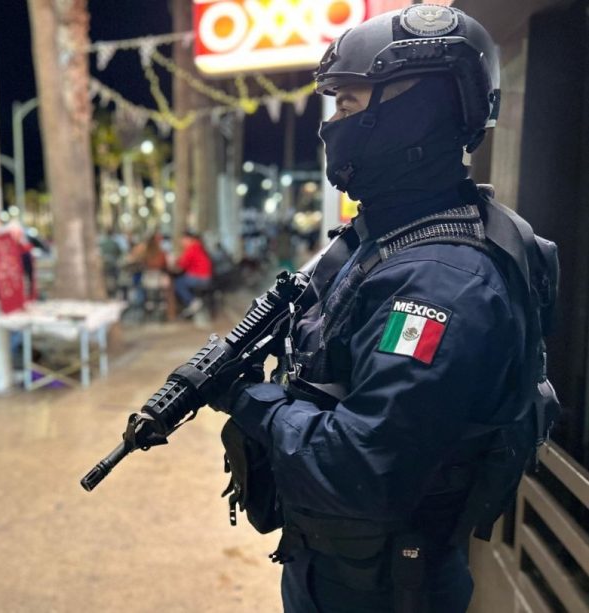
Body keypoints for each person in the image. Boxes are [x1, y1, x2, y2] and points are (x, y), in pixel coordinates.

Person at [207, 6, 552, 612]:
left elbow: (359, 467)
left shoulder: (441, 283)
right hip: (349, 566)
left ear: (422, 107)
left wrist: (245, 397)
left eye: (349, 103)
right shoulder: (390, 240)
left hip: (386, 588)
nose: (331, 124)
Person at [172, 231, 212, 317]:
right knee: (181, 280)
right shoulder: (198, 246)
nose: (181, 243)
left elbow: (182, 265)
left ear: (187, 239)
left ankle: (193, 302)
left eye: (182, 240)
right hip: (206, 278)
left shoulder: (192, 248)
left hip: (201, 279)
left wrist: (175, 262)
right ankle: (193, 303)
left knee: (178, 283)